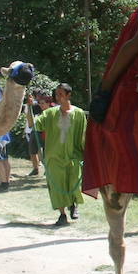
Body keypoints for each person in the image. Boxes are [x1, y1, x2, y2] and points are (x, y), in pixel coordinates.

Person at [28, 83, 86, 226]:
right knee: (56, 187)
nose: (58, 97)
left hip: (74, 156)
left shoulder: (78, 113)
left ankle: (73, 205)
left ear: (68, 95)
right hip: (54, 157)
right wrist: (28, 108)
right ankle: (62, 214)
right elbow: (32, 124)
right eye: (57, 94)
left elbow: (84, 136)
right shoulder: (49, 113)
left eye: (61, 94)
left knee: (73, 183)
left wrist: (86, 155)